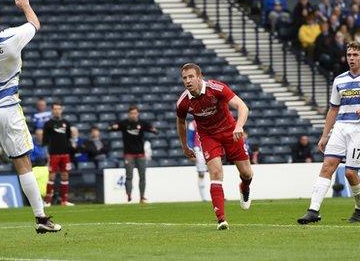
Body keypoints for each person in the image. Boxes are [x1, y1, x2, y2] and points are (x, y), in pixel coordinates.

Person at [0, 0, 61, 247]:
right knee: (22, 163)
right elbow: (35, 24)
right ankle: (41, 218)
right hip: (8, 109)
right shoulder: (10, 38)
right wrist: (25, 5)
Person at [297, 41, 360, 225]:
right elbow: (333, 109)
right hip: (341, 126)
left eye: (355, 55)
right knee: (327, 166)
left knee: (350, 173)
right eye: (349, 55)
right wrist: (324, 135)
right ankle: (313, 210)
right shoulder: (339, 80)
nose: (351, 58)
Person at [176, 63, 253, 230]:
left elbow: (242, 107)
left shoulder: (217, 88)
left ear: (199, 76)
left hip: (230, 131)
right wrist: (185, 146)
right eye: (184, 78)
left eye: (191, 77)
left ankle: (244, 186)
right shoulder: (183, 102)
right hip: (208, 136)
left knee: (246, 173)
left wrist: (239, 126)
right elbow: (181, 123)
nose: (188, 81)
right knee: (216, 172)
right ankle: (221, 219)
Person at [108, 105, 158, 203]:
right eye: (131, 113)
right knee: (129, 176)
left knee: (142, 176)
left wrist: (154, 130)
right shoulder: (124, 123)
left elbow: (154, 130)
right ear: (128, 114)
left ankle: (142, 197)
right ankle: (129, 195)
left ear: (138, 114)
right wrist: (112, 127)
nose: (133, 115)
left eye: (135, 113)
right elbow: (111, 128)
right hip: (129, 154)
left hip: (140, 154)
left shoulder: (142, 124)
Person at [42, 102, 75, 206]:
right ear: (52, 110)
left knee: (65, 176)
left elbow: (68, 137)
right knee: (51, 176)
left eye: (59, 109)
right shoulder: (48, 124)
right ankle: (47, 201)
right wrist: (47, 155)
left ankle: (64, 201)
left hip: (65, 154)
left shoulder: (66, 123)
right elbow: (45, 141)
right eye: (55, 109)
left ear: (62, 110)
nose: (57, 110)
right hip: (53, 154)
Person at [187, 120, 208, 201]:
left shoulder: (210, 120)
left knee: (216, 171)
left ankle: (219, 195)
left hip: (210, 148)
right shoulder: (193, 124)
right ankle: (203, 198)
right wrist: (192, 152)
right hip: (199, 150)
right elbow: (190, 139)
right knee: (201, 173)